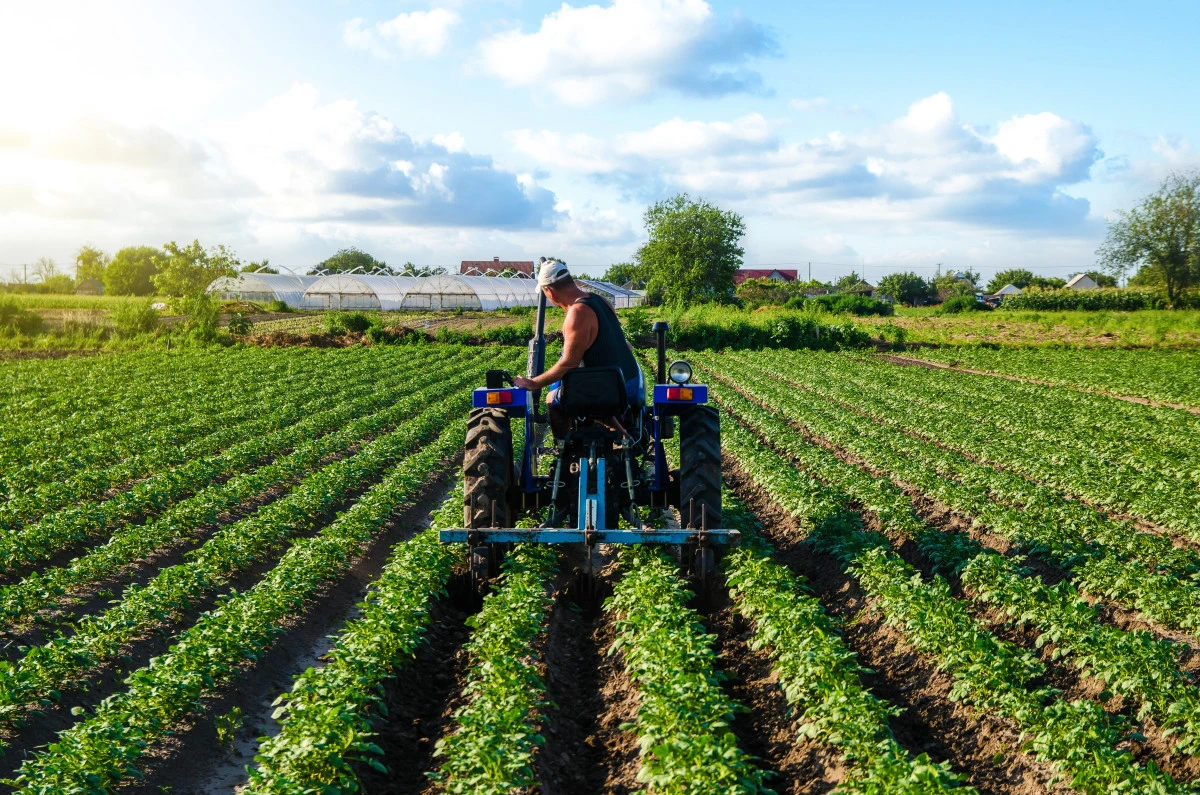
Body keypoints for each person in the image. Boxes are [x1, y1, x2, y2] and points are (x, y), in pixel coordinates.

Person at [512, 259, 641, 435]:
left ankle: (565, 449)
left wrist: (533, 383)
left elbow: (569, 363)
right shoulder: (601, 301)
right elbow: (620, 342)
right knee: (594, 392)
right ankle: (619, 430)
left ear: (549, 291)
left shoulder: (577, 313)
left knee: (552, 399)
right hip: (630, 382)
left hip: (608, 389)